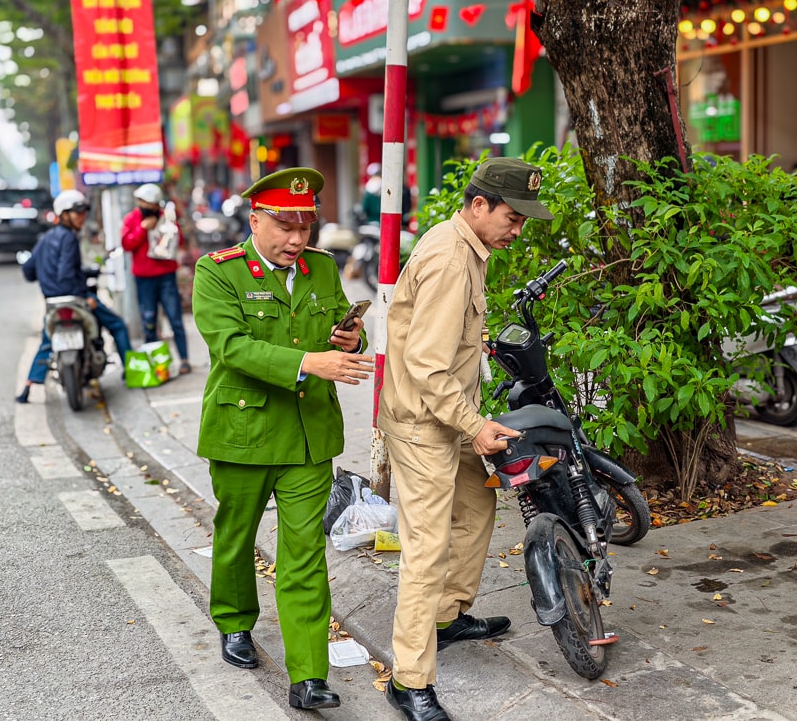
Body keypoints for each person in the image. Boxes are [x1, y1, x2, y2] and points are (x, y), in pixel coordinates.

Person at [378, 157, 554, 721]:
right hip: (424, 421)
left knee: (478, 504)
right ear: (479, 205)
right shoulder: (452, 258)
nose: (517, 230)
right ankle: (409, 680)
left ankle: (448, 616)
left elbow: (443, 343)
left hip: (449, 413)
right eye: (512, 217)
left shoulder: (470, 247)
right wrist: (476, 425)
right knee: (426, 548)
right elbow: (426, 366)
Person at [192, 167, 373, 711]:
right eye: (285, 226)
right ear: (255, 220)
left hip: (307, 437)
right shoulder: (217, 271)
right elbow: (231, 347)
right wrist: (309, 360)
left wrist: (349, 337)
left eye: (306, 226)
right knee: (235, 536)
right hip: (241, 432)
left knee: (304, 556)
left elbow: (333, 340)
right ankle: (233, 621)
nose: (297, 239)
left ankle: (309, 676)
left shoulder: (321, 268)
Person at [16, 190, 133, 403]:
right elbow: (66, 273)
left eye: (83, 212)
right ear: (63, 215)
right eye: (77, 212)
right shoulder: (69, 238)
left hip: (52, 303)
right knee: (117, 325)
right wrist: (82, 297)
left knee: (46, 341)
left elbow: (28, 271)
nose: (82, 217)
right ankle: (132, 370)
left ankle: (27, 388)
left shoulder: (45, 239)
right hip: (76, 298)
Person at [121, 183, 190, 375]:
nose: (144, 205)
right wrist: (143, 229)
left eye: (148, 203)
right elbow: (127, 244)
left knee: (175, 318)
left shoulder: (167, 218)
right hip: (144, 280)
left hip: (166, 276)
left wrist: (168, 228)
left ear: (156, 205)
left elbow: (179, 241)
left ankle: (184, 360)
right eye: (141, 201)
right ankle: (153, 365)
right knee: (149, 321)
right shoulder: (132, 218)